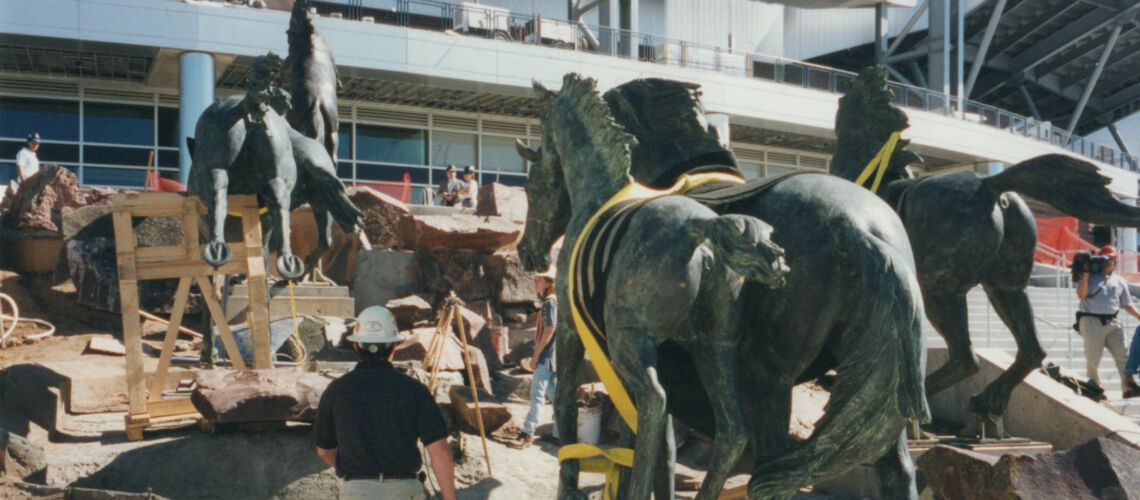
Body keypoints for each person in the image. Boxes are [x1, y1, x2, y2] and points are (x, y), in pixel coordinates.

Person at [314, 306, 456, 500]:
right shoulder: (415, 390)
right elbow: (439, 448)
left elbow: (324, 451)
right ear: (394, 346)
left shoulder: (336, 391)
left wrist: (354, 470)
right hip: (405, 491)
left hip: (357, 492)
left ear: (356, 346)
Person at [1076, 245, 1140, 391]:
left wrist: (1138, 316)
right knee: (1093, 358)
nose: (1108, 262)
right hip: (1091, 320)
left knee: (1123, 355)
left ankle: (1128, 388)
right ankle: (1094, 387)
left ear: (1115, 261)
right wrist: (1085, 274)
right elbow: (1081, 295)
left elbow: (1127, 304)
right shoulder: (1089, 276)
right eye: (1105, 258)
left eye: (1111, 259)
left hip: (1113, 321)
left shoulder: (1120, 281)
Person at [515, 265, 558, 448]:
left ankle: (528, 432)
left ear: (548, 282)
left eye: (538, 279)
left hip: (546, 356)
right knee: (556, 396)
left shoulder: (549, 303)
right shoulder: (554, 301)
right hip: (554, 355)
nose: (535, 282)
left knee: (537, 395)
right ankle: (559, 433)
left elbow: (549, 328)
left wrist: (536, 355)